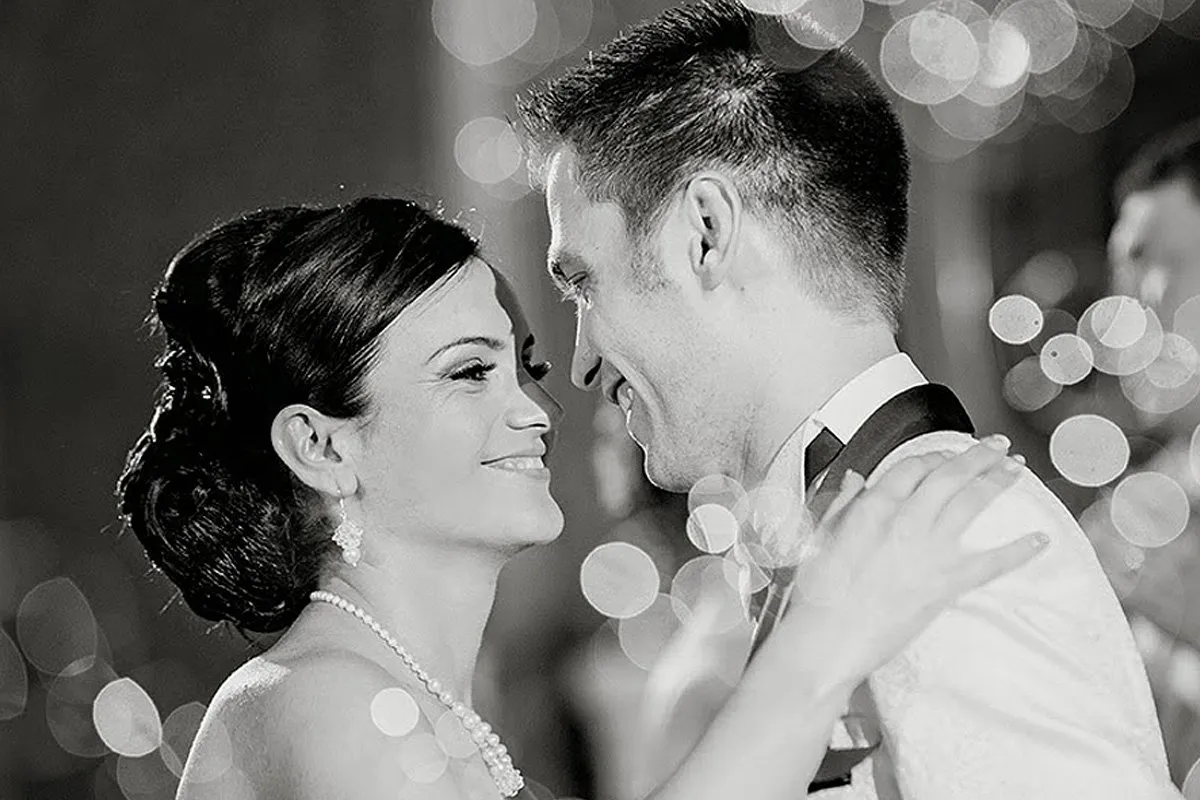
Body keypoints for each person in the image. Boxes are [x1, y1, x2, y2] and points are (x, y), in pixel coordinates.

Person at [116, 197, 1042, 800]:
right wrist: (821, 643)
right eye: (469, 373)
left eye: (524, 367)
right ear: (321, 446)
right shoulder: (328, 701)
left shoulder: (403, 698)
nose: (535, 411)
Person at [516, 1, 1177, 796]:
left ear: (706, 234)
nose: (581, 360)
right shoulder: (850, 536)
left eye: (585, 284)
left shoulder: (956, 536)